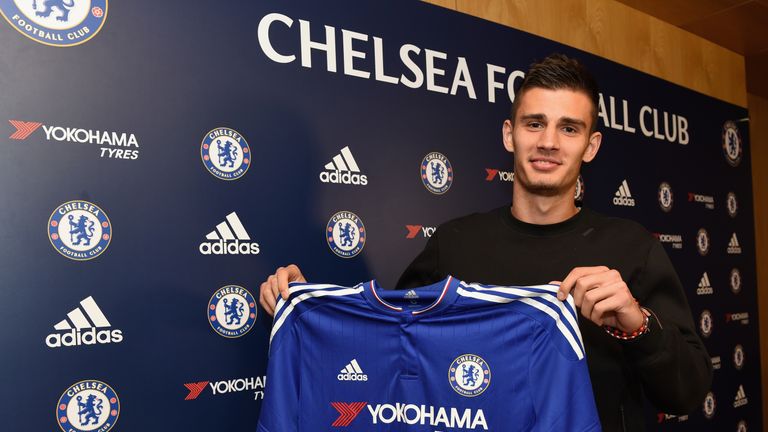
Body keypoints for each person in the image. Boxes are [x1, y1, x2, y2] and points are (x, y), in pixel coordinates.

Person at [258, 53, 712, 431]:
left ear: (591, 146)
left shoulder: (631, 248)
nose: (549, 142)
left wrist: (636, 323)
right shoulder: (454, 244)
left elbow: (687, 393)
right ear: (508, 134)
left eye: (569, 128)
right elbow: (387, 351)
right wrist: (304, 309)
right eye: (534, 124)